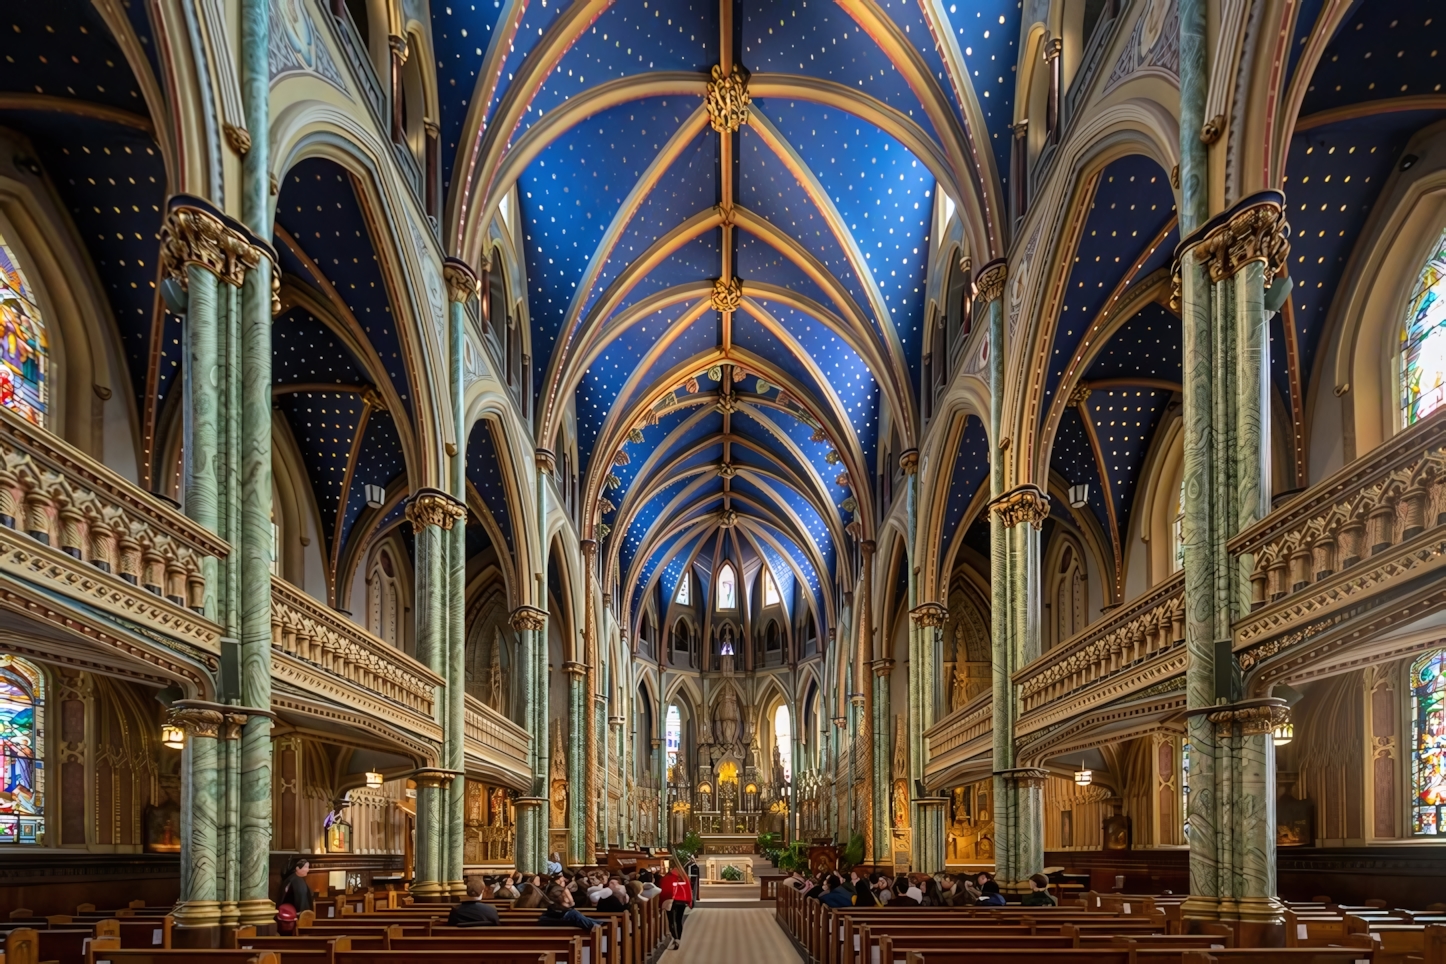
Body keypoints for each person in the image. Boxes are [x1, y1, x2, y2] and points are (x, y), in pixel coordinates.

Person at [537, 882, 603, 930]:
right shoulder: (570, 913)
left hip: (558, 922)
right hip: (565, 919)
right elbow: (571, 905)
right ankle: (599, 924)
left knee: (584, 918)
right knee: (577, 915)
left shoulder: (547, 913)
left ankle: (600, 923)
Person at [660, 862, 694, 950]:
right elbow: (688, 890)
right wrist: (689, 901)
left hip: (672, 901)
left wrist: (661, 903)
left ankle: (676, 940)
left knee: (672, 921)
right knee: (679, 921)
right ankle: (678, 939)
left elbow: (665, 890)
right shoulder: (684, 877)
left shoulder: (668, 877)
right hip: (682, 901)